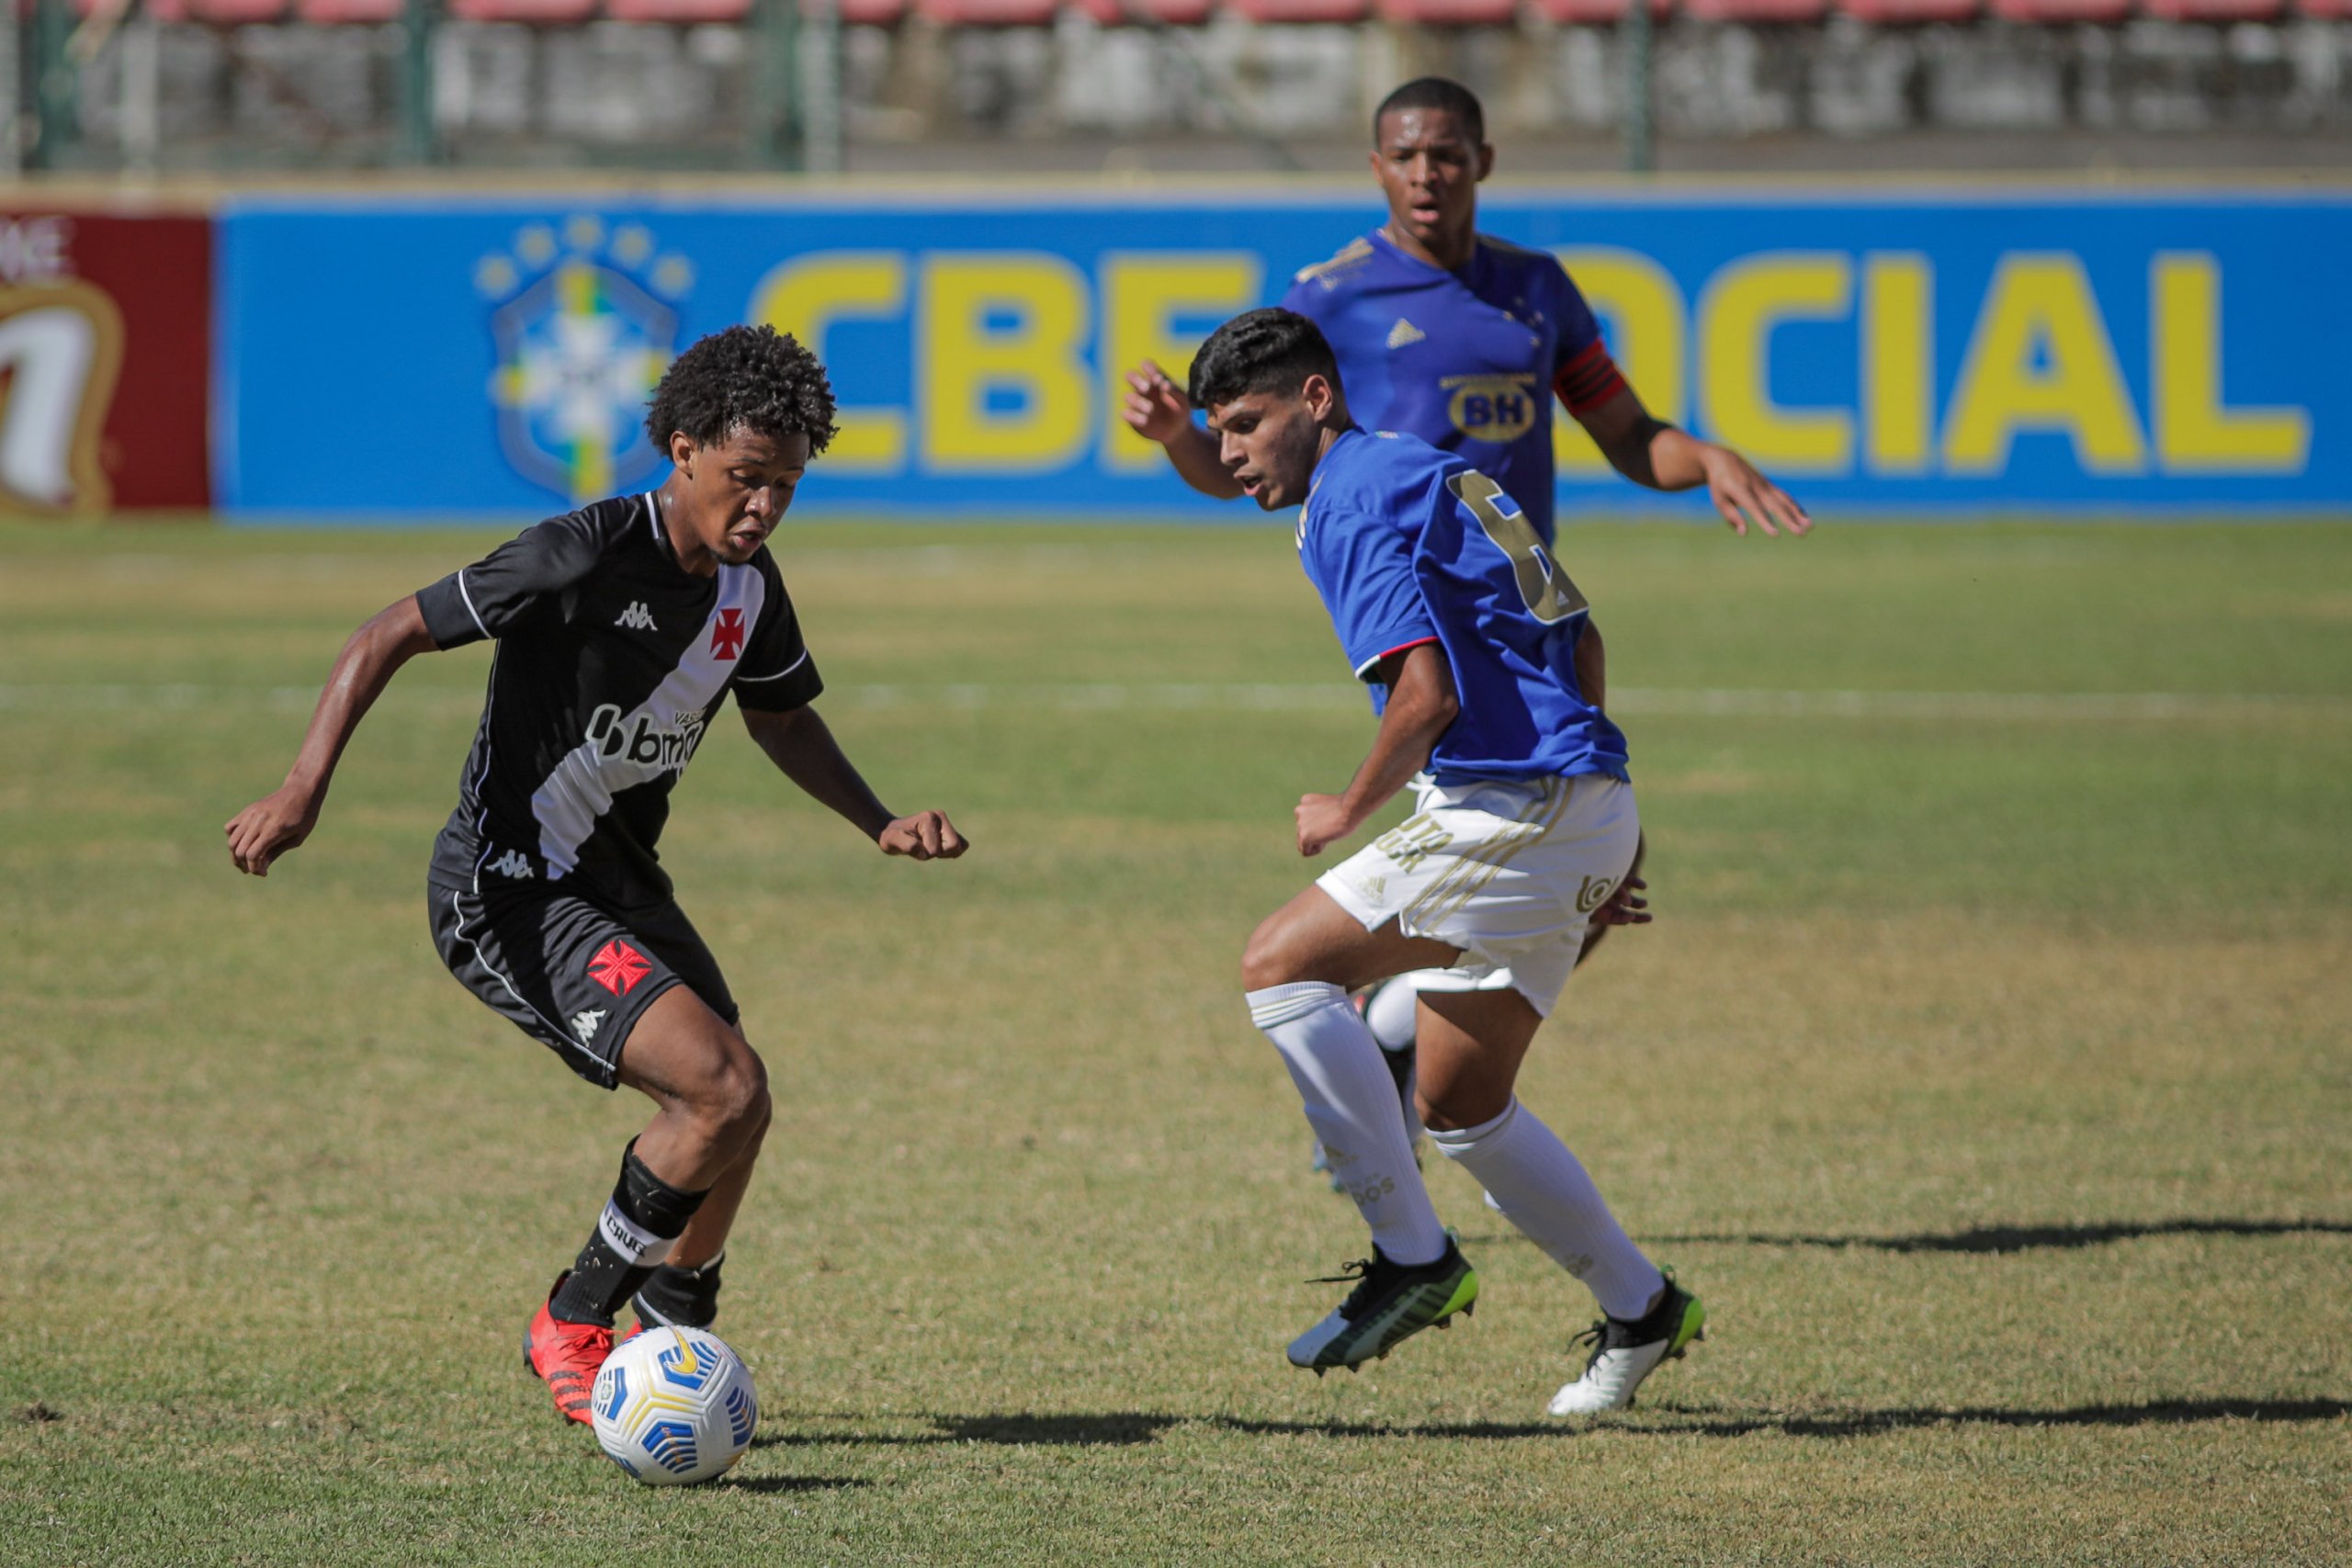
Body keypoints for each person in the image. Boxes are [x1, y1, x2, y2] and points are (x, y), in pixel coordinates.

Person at [223, 325, 967, 1425]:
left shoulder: (749, 590)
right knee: (719, 1088)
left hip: (619, 883)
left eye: (785, 485)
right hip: (507, 890)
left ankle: (675, 1311)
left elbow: (781, 720)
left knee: (740, 1103)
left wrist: (879, 821)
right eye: (745, 478)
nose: (764, 506)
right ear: (683, 449)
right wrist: (301, 788)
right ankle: (573, 1319)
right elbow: (386, 633)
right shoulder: (577, 553)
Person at [1122, 75, 1809, 1170]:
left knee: (1584, 881)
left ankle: (1401, 1049)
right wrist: (1178, 439)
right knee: (1550, 870)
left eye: (1445, 154)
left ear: (1482, 161)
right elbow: (1242, 467)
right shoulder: (1330, 295)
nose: (1425, 174)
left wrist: (1707, 456)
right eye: (1404, 156)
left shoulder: (1536, 291)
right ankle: (1403, 1069)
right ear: (1375, 169)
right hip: (1423, 628)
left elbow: (1628, 433)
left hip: (1528, 623)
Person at [1197, 306, 1700, 1415]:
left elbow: (1424, 695)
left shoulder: (1347, 497)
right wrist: (1605, 825)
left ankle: (1412, 1258)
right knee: (1463, 1105)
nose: (1228, 452)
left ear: (1315, 398)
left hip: (1510, 803)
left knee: (1280, 966)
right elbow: (1583, 639)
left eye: (1244, 424)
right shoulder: (1418, 467)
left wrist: (1347, 806)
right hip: (1578, 801)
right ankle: (1643, 1308)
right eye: (1216, 431)